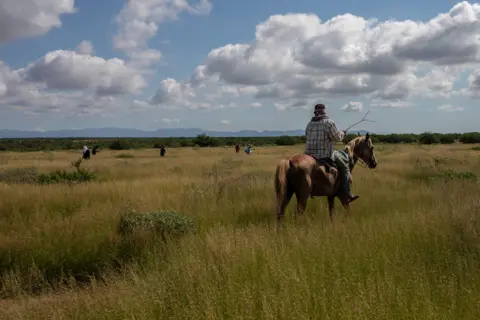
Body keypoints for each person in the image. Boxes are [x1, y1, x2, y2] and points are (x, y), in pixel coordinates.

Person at [304, 103, 359, 203]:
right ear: (324, 111)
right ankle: (347, 193)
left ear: (315, 112)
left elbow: (307, 136)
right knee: (345, 167)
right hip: (325, 155)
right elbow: (337, 138)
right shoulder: (329, 122)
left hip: (309, 156)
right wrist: (343, 133)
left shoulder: (309, 124)